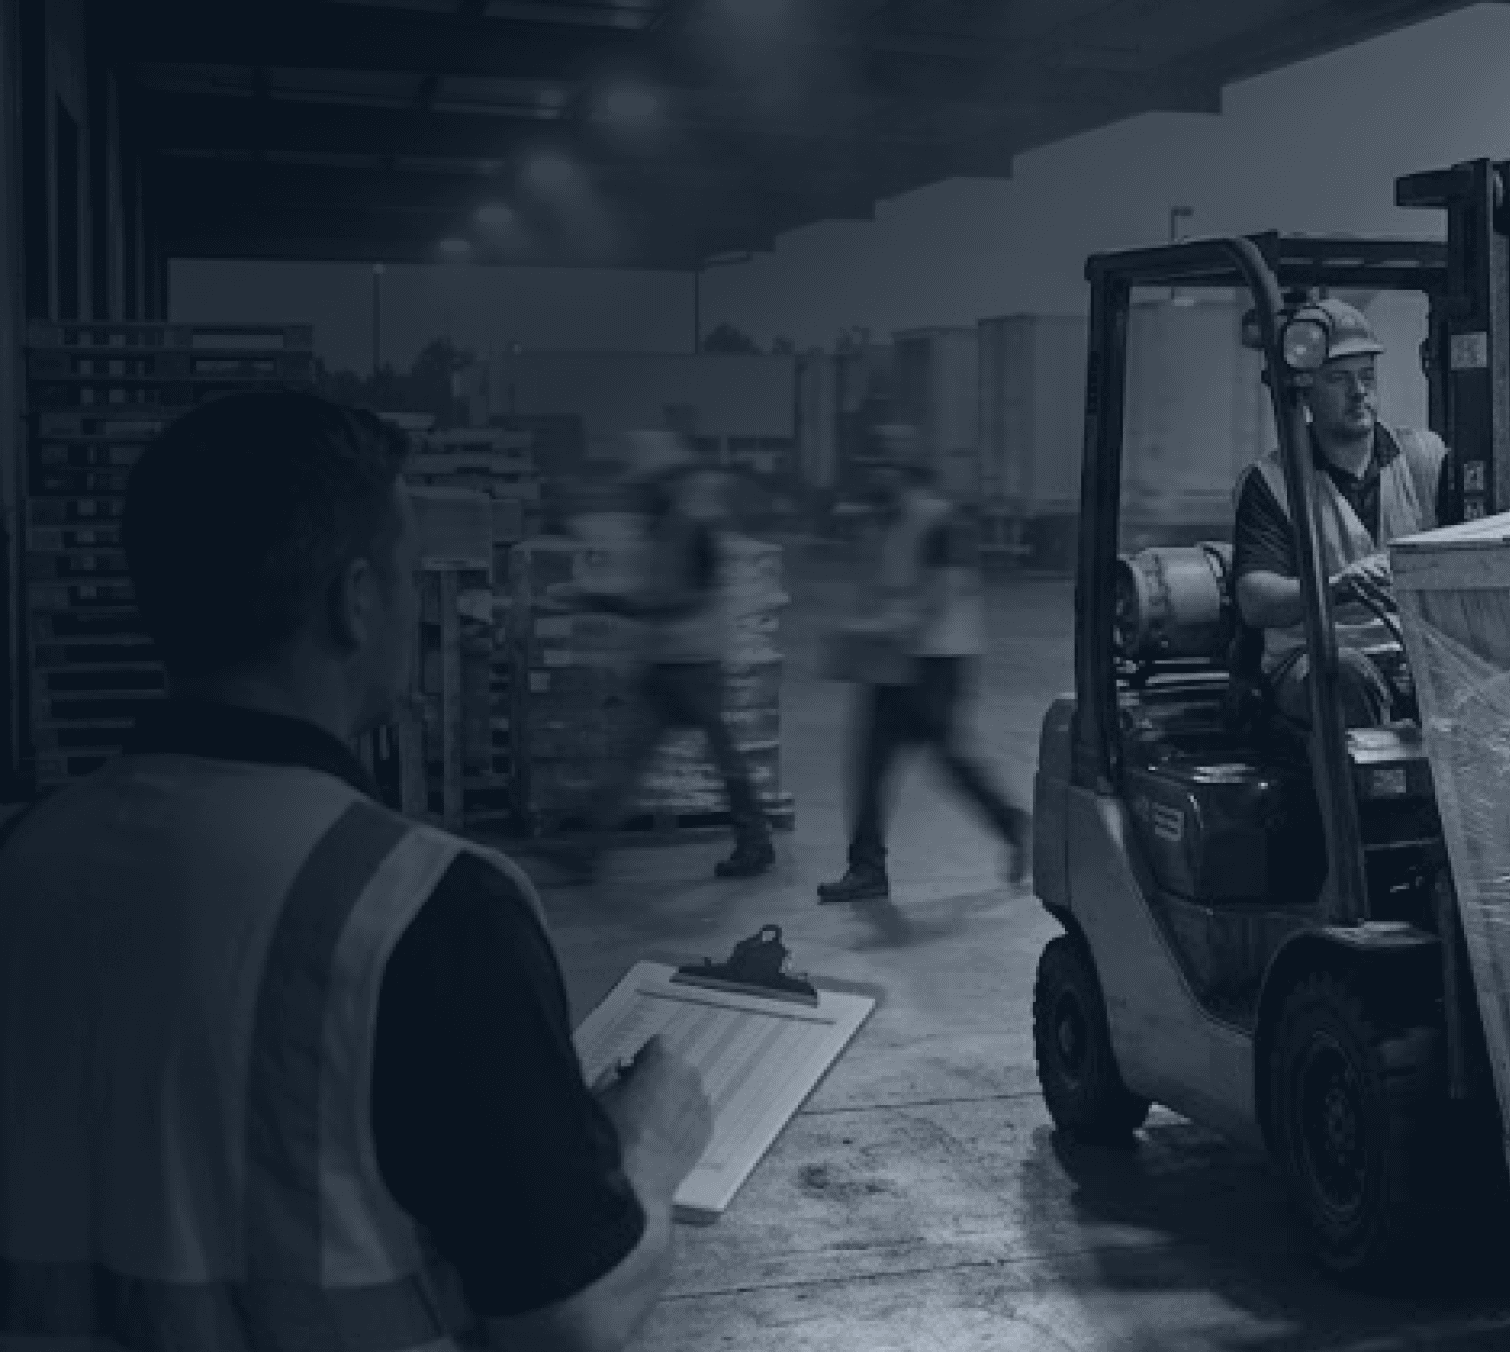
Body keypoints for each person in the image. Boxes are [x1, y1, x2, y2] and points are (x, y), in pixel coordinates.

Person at [0, 391, 713, 1352]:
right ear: (357, 600)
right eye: (410, 574)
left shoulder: (32, 855)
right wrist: (653, 1154)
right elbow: (571, 1323)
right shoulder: (431, 910)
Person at [545, 428, 778, 880]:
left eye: (647, 484)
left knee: (722, 759)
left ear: (666, 481)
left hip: (697, 664)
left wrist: (608, 604)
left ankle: (755, 843)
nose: (640, 493)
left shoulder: (693, 529)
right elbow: (653, 591)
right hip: (664, 662)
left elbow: (686, 597)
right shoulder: (659, 526)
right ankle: (587, 848)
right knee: (631, 759)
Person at [822, 423, 1027, 904]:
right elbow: (884, 584)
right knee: (869, 764)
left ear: (903, 472)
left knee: (949, 758)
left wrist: (887, 627)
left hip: (938, 662)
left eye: (882, 468)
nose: (873, 476)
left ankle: (1009, 821)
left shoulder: (942, 520)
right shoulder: (886, 520)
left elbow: (944, 591)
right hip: (893, 662)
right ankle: (866, 869)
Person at [1228, 297, 1446, 728]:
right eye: (1339, 380)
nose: (1359, 392)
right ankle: (1367, 797)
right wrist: (1336, 587)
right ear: (1305, 391)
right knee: (1346, 677)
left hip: (1411, 652)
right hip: (1311, 659)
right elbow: (1256, 601)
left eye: (1367, 376)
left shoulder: (1425, 458)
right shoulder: (1273, 480)